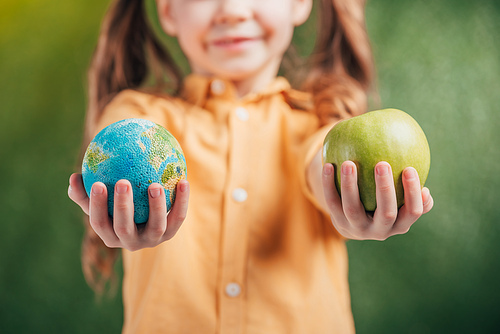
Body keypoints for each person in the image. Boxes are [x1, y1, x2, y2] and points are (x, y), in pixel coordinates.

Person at [68, 0, 434, 333]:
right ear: (167, 10)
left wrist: (348, 195)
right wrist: (123, 207)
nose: (233, 11)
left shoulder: (318, 126)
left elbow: (321, 163)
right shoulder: (142, 118)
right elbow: (114, 145)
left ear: (300, 4)